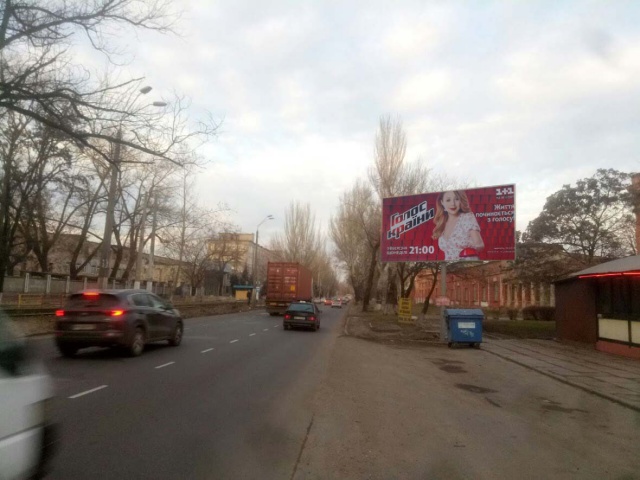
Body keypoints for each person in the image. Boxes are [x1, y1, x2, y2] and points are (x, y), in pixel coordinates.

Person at [431, 190, 484, 260]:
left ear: (461, 200)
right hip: (450, 264)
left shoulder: (467, 217)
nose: (453, 204)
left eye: (456, 199)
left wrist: (466, 252)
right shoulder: (442, 222)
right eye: (448, 200)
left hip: (467, 262)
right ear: (442, 202)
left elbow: (480, 245)